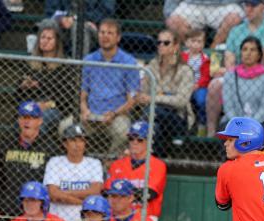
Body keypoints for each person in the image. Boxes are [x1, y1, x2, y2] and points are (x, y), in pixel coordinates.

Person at [206, 0, 264, 137]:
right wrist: (234, 72)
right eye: (246, 5)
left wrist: (238, 69)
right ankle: (211, 131)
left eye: (253, 5)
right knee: (215, 85)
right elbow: (229, 59)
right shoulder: (237, 30)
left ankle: (254, 125)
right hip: (239, 76)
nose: (248, 9)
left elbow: (261, 59)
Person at [80, 19, 139, 157]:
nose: (105, 36)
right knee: (65, 127)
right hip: (91, 114)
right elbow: (82, 93)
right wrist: (84, 110)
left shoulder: (129, 62)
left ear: (118, 38)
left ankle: (110, 164)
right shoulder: (89, 60)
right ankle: (84, 162)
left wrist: (114, 113)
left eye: (110, 33)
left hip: (116, 115)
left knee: (123, 130)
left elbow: (132, 100)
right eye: (102, 32)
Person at [0, 101, 59, 219]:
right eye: (24, 117)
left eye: (32, 117)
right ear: (19, 120)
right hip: (7, 212)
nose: (27, 121)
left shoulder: (50, 147)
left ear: (40, 121)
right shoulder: (6, 145)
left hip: (38, 214)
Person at [136, 28, 194, 158]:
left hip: (177, 118)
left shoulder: (185, 70)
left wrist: (153, 98)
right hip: (153, 114)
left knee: (153, 112)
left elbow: (181, 101)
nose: (161, 45)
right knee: (155, 127)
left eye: (166, 43)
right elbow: (144, 92)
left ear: (176, 46)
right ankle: (158, 160)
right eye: (159, 42)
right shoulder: (152, 65)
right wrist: (144, 97)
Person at [17, 19, 77, 135]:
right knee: (21, 121)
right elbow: (17, 95)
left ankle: (37, 152)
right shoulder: (30, 63)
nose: (45, 41)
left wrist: (46, 104)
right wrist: (24, 86)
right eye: (42, 37)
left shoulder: (64, 66)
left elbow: (66, 98)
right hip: (31, 105)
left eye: (49, 39)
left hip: (54, 108)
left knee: (39, 122)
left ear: (57, 42)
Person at [43, 124, 103, 221]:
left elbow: (95, 192)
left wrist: (64, 193)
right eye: (73, 140)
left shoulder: (94, 163)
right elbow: (53, 194)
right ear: (65, 143)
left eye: (81, 140)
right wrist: (82, 202)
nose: (77, 145)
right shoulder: (55, 162)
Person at [105, 121, 168, 221]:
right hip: (119, 216)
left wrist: (120, 193)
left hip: (146, 217)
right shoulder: (116, 165)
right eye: (131, 138)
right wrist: (135, 193)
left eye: (140, 139)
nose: (134, 142)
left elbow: (149, 194)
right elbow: (107, 192)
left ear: (150, 141)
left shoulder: (158, 165)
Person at [222, 36, 264, 130]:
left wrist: (251, 126)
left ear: (259, 55)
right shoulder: (230, 76)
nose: (248, 53)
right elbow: (228, 106)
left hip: (260, 122)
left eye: (253, 50)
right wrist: (238, 125)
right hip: (234, 122)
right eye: (244, 49)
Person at [166, 0, 244, 49]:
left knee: (234, 19)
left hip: (226, 4)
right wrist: (169, 11)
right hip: (191, 4)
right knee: (173, 22)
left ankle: (212, 50)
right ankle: (193, 52)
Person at [181, 29, 210, 138]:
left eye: (199, 42)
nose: (196, 44)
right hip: (184, 86)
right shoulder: (182, 57)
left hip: (199, 86)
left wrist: (197, 85)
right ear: (187, 43)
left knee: (202, 101)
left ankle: (202, 125)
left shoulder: (205, 59)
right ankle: (183, 126)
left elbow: (206, 76)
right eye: (193, 41)